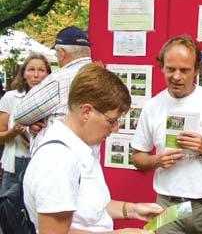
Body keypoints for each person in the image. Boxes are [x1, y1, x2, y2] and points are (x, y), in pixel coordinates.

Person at [23, 63, 163, 233]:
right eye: (111, 121)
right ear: (86, 112)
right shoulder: (58, 160)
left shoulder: (78, 149)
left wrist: (133, 210)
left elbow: (89, 210)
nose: (116, 128)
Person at [131, 35, 202, 234]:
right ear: (162, 67)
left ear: (197, 70)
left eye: (185, 70)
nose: (176, 76)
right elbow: (138, 158)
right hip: (169, 207)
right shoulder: (152, 106)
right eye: (171, 69)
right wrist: (157, 160)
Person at [14, 26, 92, 153]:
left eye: (56, 54)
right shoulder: (102, 75)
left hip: (56, 159)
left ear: (62, 53)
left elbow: (20, 115)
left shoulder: (58, 79)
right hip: (90, 160)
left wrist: (37, 119)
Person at [0, 53, 51, 232]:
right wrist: (13, 132)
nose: (36, 75)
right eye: (31, 70)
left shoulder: (53, 100)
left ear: (48, 74)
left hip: (42, 164)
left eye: (41, 70)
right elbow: (1, 135)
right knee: (8, 213)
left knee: (35, 216)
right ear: (23, 74)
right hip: (16, 163)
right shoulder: (11, 98)